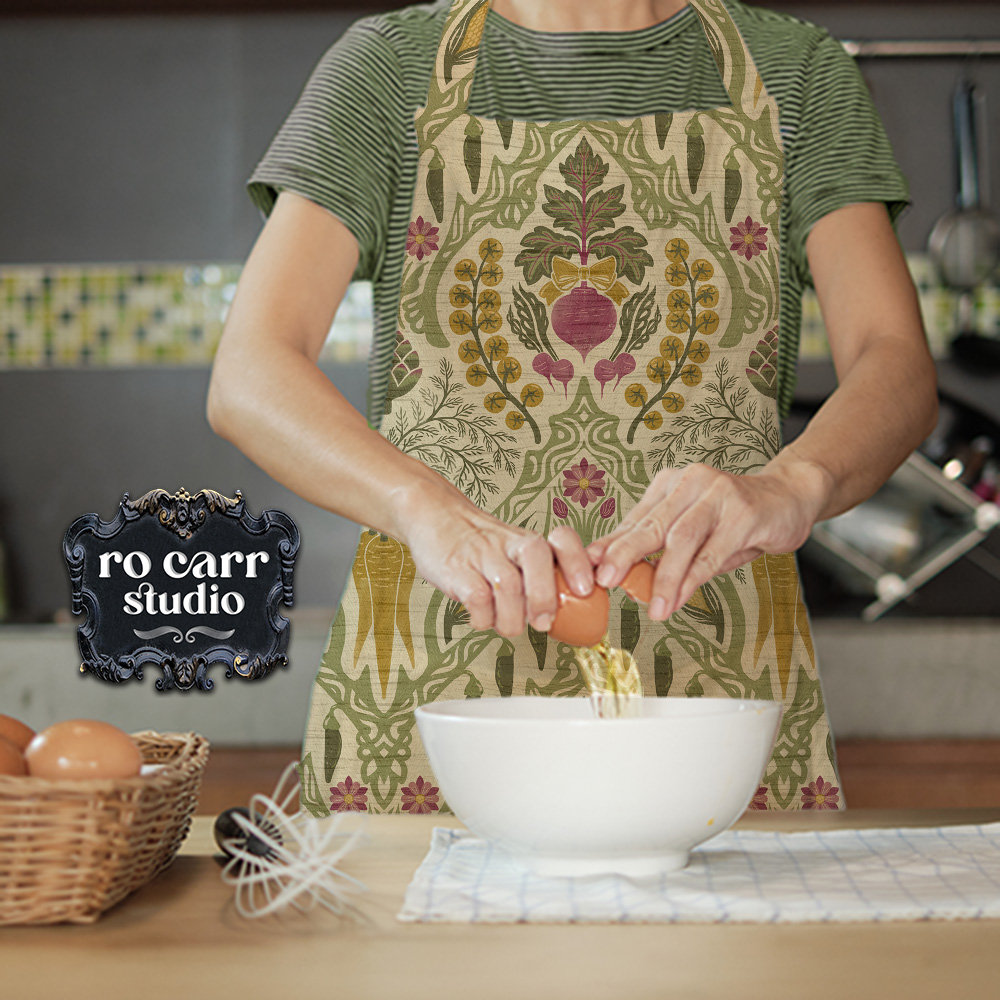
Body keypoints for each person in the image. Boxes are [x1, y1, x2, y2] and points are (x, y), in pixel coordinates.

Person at [208, 0, 937, 815]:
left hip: (717, 701)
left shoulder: (796, 72)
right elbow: (250, 372)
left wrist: (792, 485)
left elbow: (896, 363)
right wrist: (425, 508)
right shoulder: (387, 68)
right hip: (431, 695)